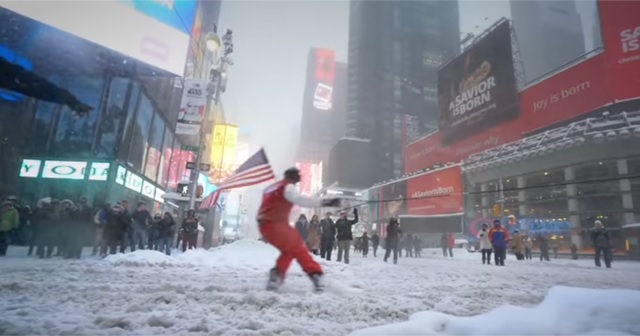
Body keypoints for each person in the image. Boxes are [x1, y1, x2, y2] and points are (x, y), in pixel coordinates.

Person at [257, 167, 340, 292]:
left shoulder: (271, 188)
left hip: (267, 225)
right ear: (293, 177)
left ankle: (276, 276)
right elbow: (302, 200)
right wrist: (326, 202)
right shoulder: (288, 188)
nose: (300, 177)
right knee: (297, 247)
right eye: (298, 175)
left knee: (290, 249)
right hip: (275, 225)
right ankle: (316, 274)